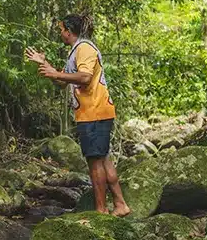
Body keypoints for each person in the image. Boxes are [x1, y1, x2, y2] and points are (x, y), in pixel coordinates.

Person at [25, 14, 132, 217]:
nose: (60, 33)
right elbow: (63, 82)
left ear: (68, 30)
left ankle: (101, 211)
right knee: (102, 158)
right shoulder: (75, 51)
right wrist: (45, 64)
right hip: (90, 112)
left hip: (95, 111)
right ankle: (120, 204)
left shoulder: (84, 48)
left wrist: (55, 73)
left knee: (94, 162)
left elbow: (84, 77)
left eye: (61, 29)